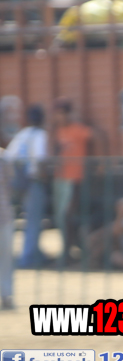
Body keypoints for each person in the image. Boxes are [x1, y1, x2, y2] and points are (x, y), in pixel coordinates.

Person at [6, 104, 49, 268]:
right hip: (33, 182)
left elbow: (8, 158)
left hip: (17, 182)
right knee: (33, 220)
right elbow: (40, 159)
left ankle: (27, 253)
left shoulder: (22, 134)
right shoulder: (41, 135)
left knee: (15, 220)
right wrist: (43, 178)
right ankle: (27, 257)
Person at [51, 97, 92, 261]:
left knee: (67, 215)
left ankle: (67, 252)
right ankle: (67, 249)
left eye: (62, 113)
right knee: (60, 217)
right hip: (59, 178)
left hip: (74, 178)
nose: (59, 117)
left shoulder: (78, 130)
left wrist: (101, 164)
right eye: (57, 113)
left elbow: (97, 136)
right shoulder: (58, 131)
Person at [0, 149, 13, 309]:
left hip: (4, 215)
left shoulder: (3, 157)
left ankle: (6, 295)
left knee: (5, 257)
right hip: (4, 214)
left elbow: (11, 184)